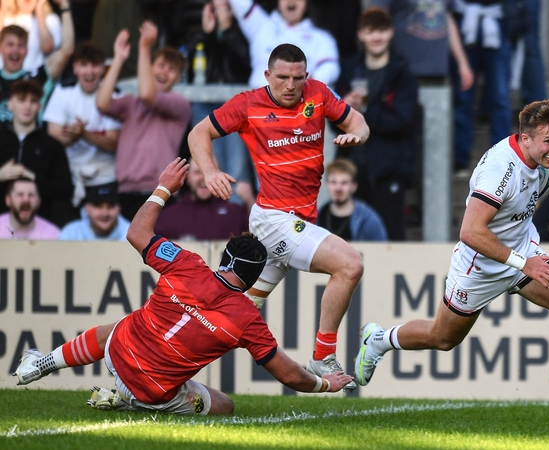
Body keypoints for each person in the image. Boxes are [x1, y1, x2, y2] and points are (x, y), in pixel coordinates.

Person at [353, 100, 549, 423]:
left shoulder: (543, 157)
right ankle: (380, 339)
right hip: (481, 265)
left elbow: (545, 176)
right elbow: (470, 232)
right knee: (442, 338)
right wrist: (525, 264)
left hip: (522, 253)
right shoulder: (500, 171)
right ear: (526, 139)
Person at [13, 158, 354, 415]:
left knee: (121, 327)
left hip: (118, 355)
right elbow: (290, 375)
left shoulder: (187, 263)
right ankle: (132, 403)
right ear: (254, 277)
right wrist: (325, 384)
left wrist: (163, 188)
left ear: (226, 257)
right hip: (154, 392)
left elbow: (136, 234)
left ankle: (43, 364)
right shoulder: (247, 319)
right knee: (225, 406)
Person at [188, 43, 369, 390]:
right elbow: (199, 133)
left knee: (233, 317)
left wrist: (357, 134)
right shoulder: (248, 104)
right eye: (282, 77)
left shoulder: (317, 94)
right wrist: (210, 172)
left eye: (297, 78)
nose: (290, 85)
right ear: (267, 75)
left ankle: (158, 362)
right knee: (350, 264)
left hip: (296, 223)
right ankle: (322, 354)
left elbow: (358, 121)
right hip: (273, 220)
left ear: (307, 76)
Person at [335, 7, 418, 241]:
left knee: (390, 241)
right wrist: (344, 112)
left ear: (391, 33)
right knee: (347, 244)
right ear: (361, 35)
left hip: (388, 172)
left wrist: (362, 112)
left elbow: (402, 121)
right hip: (352, 173)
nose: (376, 37)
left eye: (381, 31)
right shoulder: (350, 70)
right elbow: (334, 124)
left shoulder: (402, 73)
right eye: (371, 32)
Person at [96, 21, 191, 222]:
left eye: (172, 70)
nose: (164, 72)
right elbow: (102, 103)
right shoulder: (132, 102)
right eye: (161, 65)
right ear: (149, 67)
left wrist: (144, 47)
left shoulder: (180, 105)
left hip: (161, 192)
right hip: (125, 193)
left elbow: (148, 94)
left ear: (179, 78)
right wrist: (119, 60)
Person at [185, 0, 253, 206]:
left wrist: (227, 29)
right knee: (207, 160)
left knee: (235, 165)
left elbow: (245, 62)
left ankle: (233, 212)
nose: (219, 11)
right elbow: (192, 69)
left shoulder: (245, 30)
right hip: (205, 104)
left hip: (233, 105)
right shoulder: (199, 34)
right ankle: (212, 211)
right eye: (215, 7)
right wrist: (207, 35)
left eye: (225, 6)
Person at [43, 41, 121, 208]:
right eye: (84, 65)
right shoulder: (63, 92)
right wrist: (80, 135)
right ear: (75, 68)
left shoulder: (113, 95)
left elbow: (113, 143)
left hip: (105, 177)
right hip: (68, 176)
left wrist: (82, 134)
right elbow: (52, 139)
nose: (89, 71)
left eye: (95, 65)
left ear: (103, 68)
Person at [0, 78, 74, 227]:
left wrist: (32, 177)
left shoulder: (52, 146)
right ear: (10, 104)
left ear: (39, 106)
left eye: (33, 101)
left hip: (40, 227)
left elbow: (65, 191)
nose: (27, 106)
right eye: (21, 100)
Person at [450, 0, 513, 172]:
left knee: (500, 97)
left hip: (497, 18)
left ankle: (501, 160)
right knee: (463, 97)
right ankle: (460, 157)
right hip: (464, 18)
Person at [229, 0, 340, 87]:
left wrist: (311, 81)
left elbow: (330, 67)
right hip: (259, 109)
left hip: (300, 110)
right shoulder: (260, 26)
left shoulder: (322, 39)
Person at [0, 0, 73, 122]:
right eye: (10, 45)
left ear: (27, 50)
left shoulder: (37, 78)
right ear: (1, 47)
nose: (15, 50)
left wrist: (65, 8)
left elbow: (66, 50)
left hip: (29, 140)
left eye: (20, 45)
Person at [155, 158, 249, 241]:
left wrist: (250, 200)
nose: (204, 178)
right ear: (187, 177)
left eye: (210, 172)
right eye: (197, 172)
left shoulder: (237, 214)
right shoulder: (168, 217)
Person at [317, 158, 387, 242]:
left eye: (344, 183)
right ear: (326, 184)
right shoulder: (318, 217)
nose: (338, 188)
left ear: (354, 186)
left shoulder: (368, 219)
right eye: (333, 182)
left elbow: (383, 251)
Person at [0, 0, 62, 73]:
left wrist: (39, 10)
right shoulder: (5, 18)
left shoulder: (51, 19)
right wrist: (4, 8)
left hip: (34, 80)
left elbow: (47, 47)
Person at [58, 182, 129, 241]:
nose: (105, 213)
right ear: (87, 209)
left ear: (118, 209)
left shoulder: (130, 233)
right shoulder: (71, 233)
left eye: (110, 207)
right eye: (99, 207)